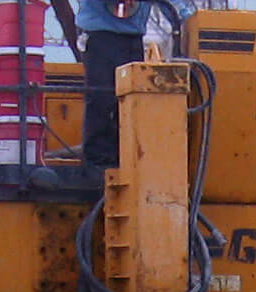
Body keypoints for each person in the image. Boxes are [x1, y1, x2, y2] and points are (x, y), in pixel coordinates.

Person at [60, 0, 193, 167]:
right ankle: (98, 160)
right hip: (100, 36)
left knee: (129, 99)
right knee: (102, 97)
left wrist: (190, 18)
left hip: (133, 38)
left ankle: (124, 156)